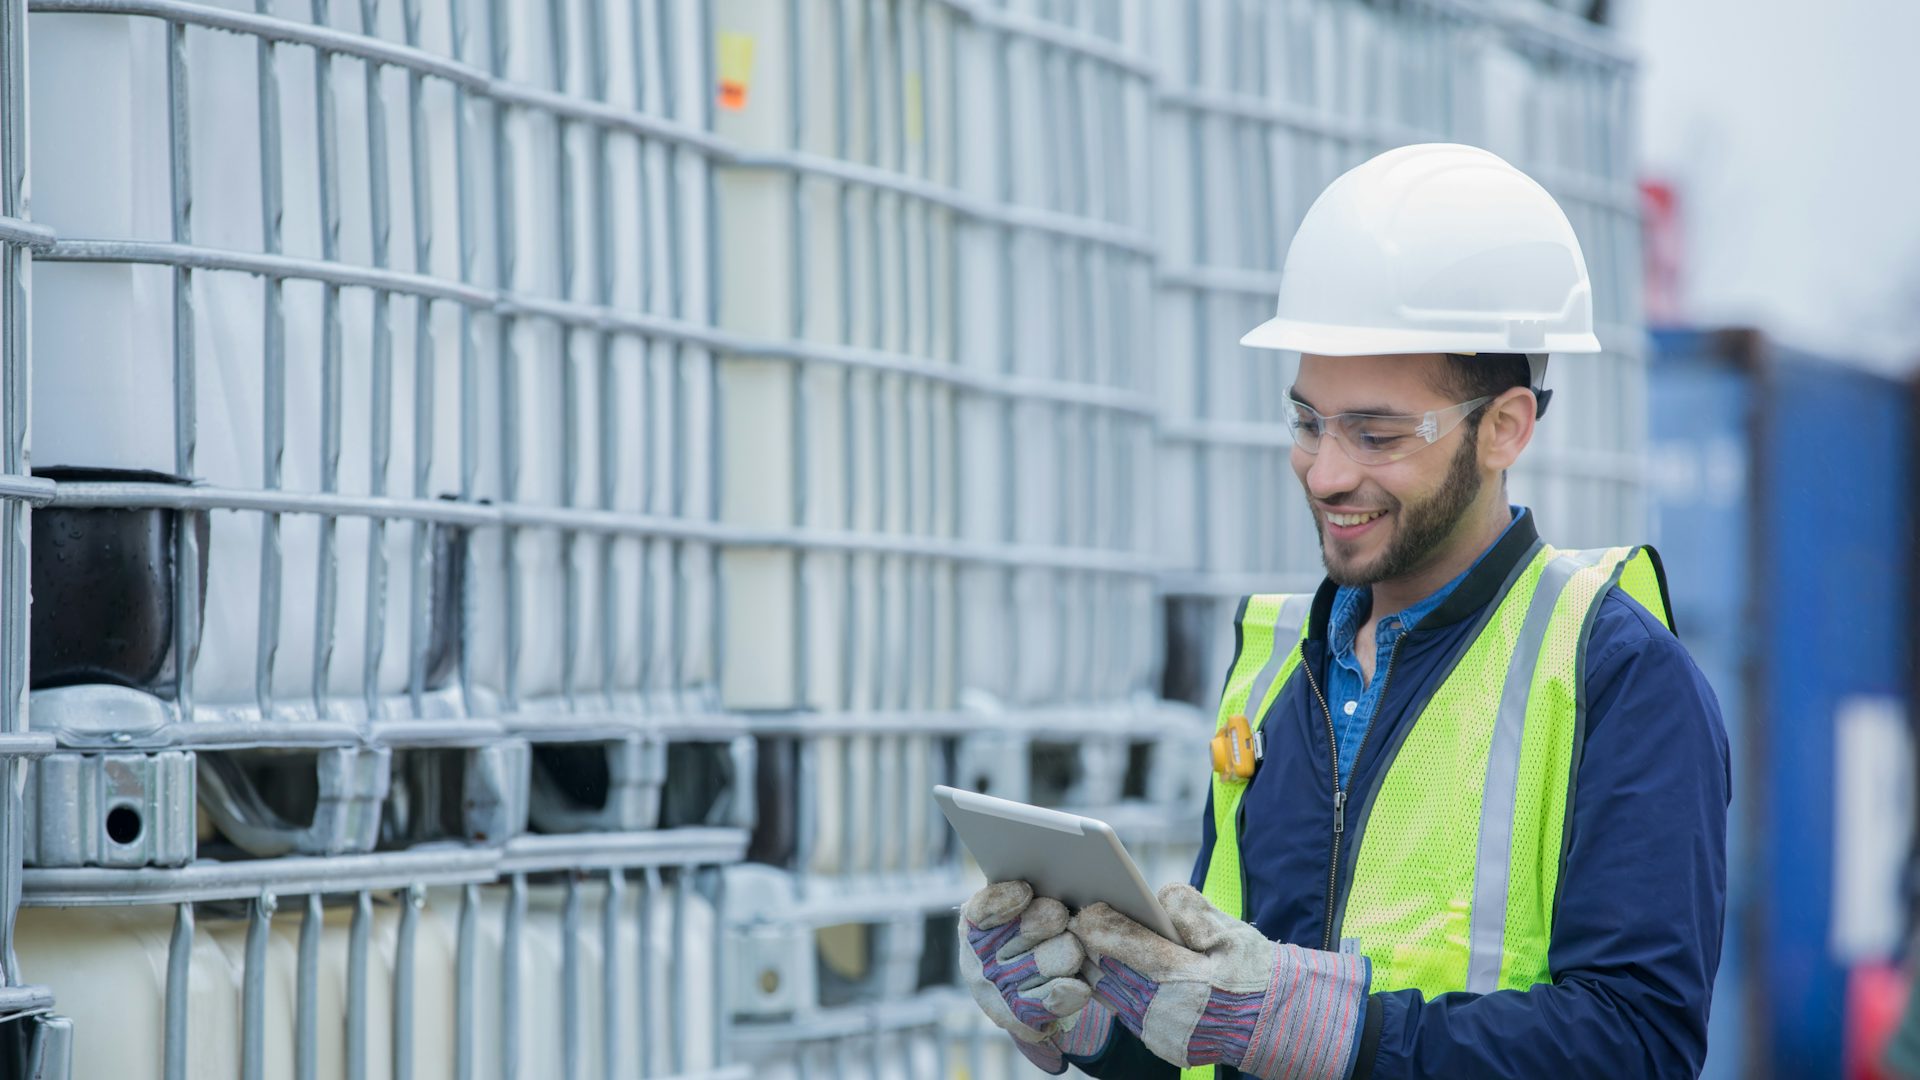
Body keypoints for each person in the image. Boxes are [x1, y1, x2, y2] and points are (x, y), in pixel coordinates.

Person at [958, 143, 1730, 1079]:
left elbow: (1638, 1046)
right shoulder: (1277, 667)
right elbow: (1232, 1042)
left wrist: (1341, 1035)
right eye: (1308, 421)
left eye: (1376, 433)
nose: (1326, 472)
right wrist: (1102, 1023)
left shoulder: (1618, 676)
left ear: (1506, 427)